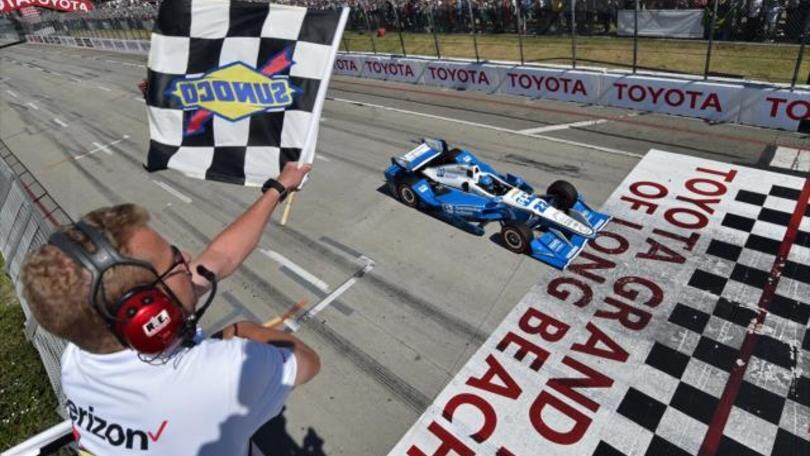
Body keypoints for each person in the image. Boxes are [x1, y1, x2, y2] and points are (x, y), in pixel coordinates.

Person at [21, 162, 319, 455]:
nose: (188, 257)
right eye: (176, 260)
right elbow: (306, 363)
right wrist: (238, 332)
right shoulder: (221, 375)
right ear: (149, 315)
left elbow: (216, 259)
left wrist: (277, 189)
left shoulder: (80, 359)